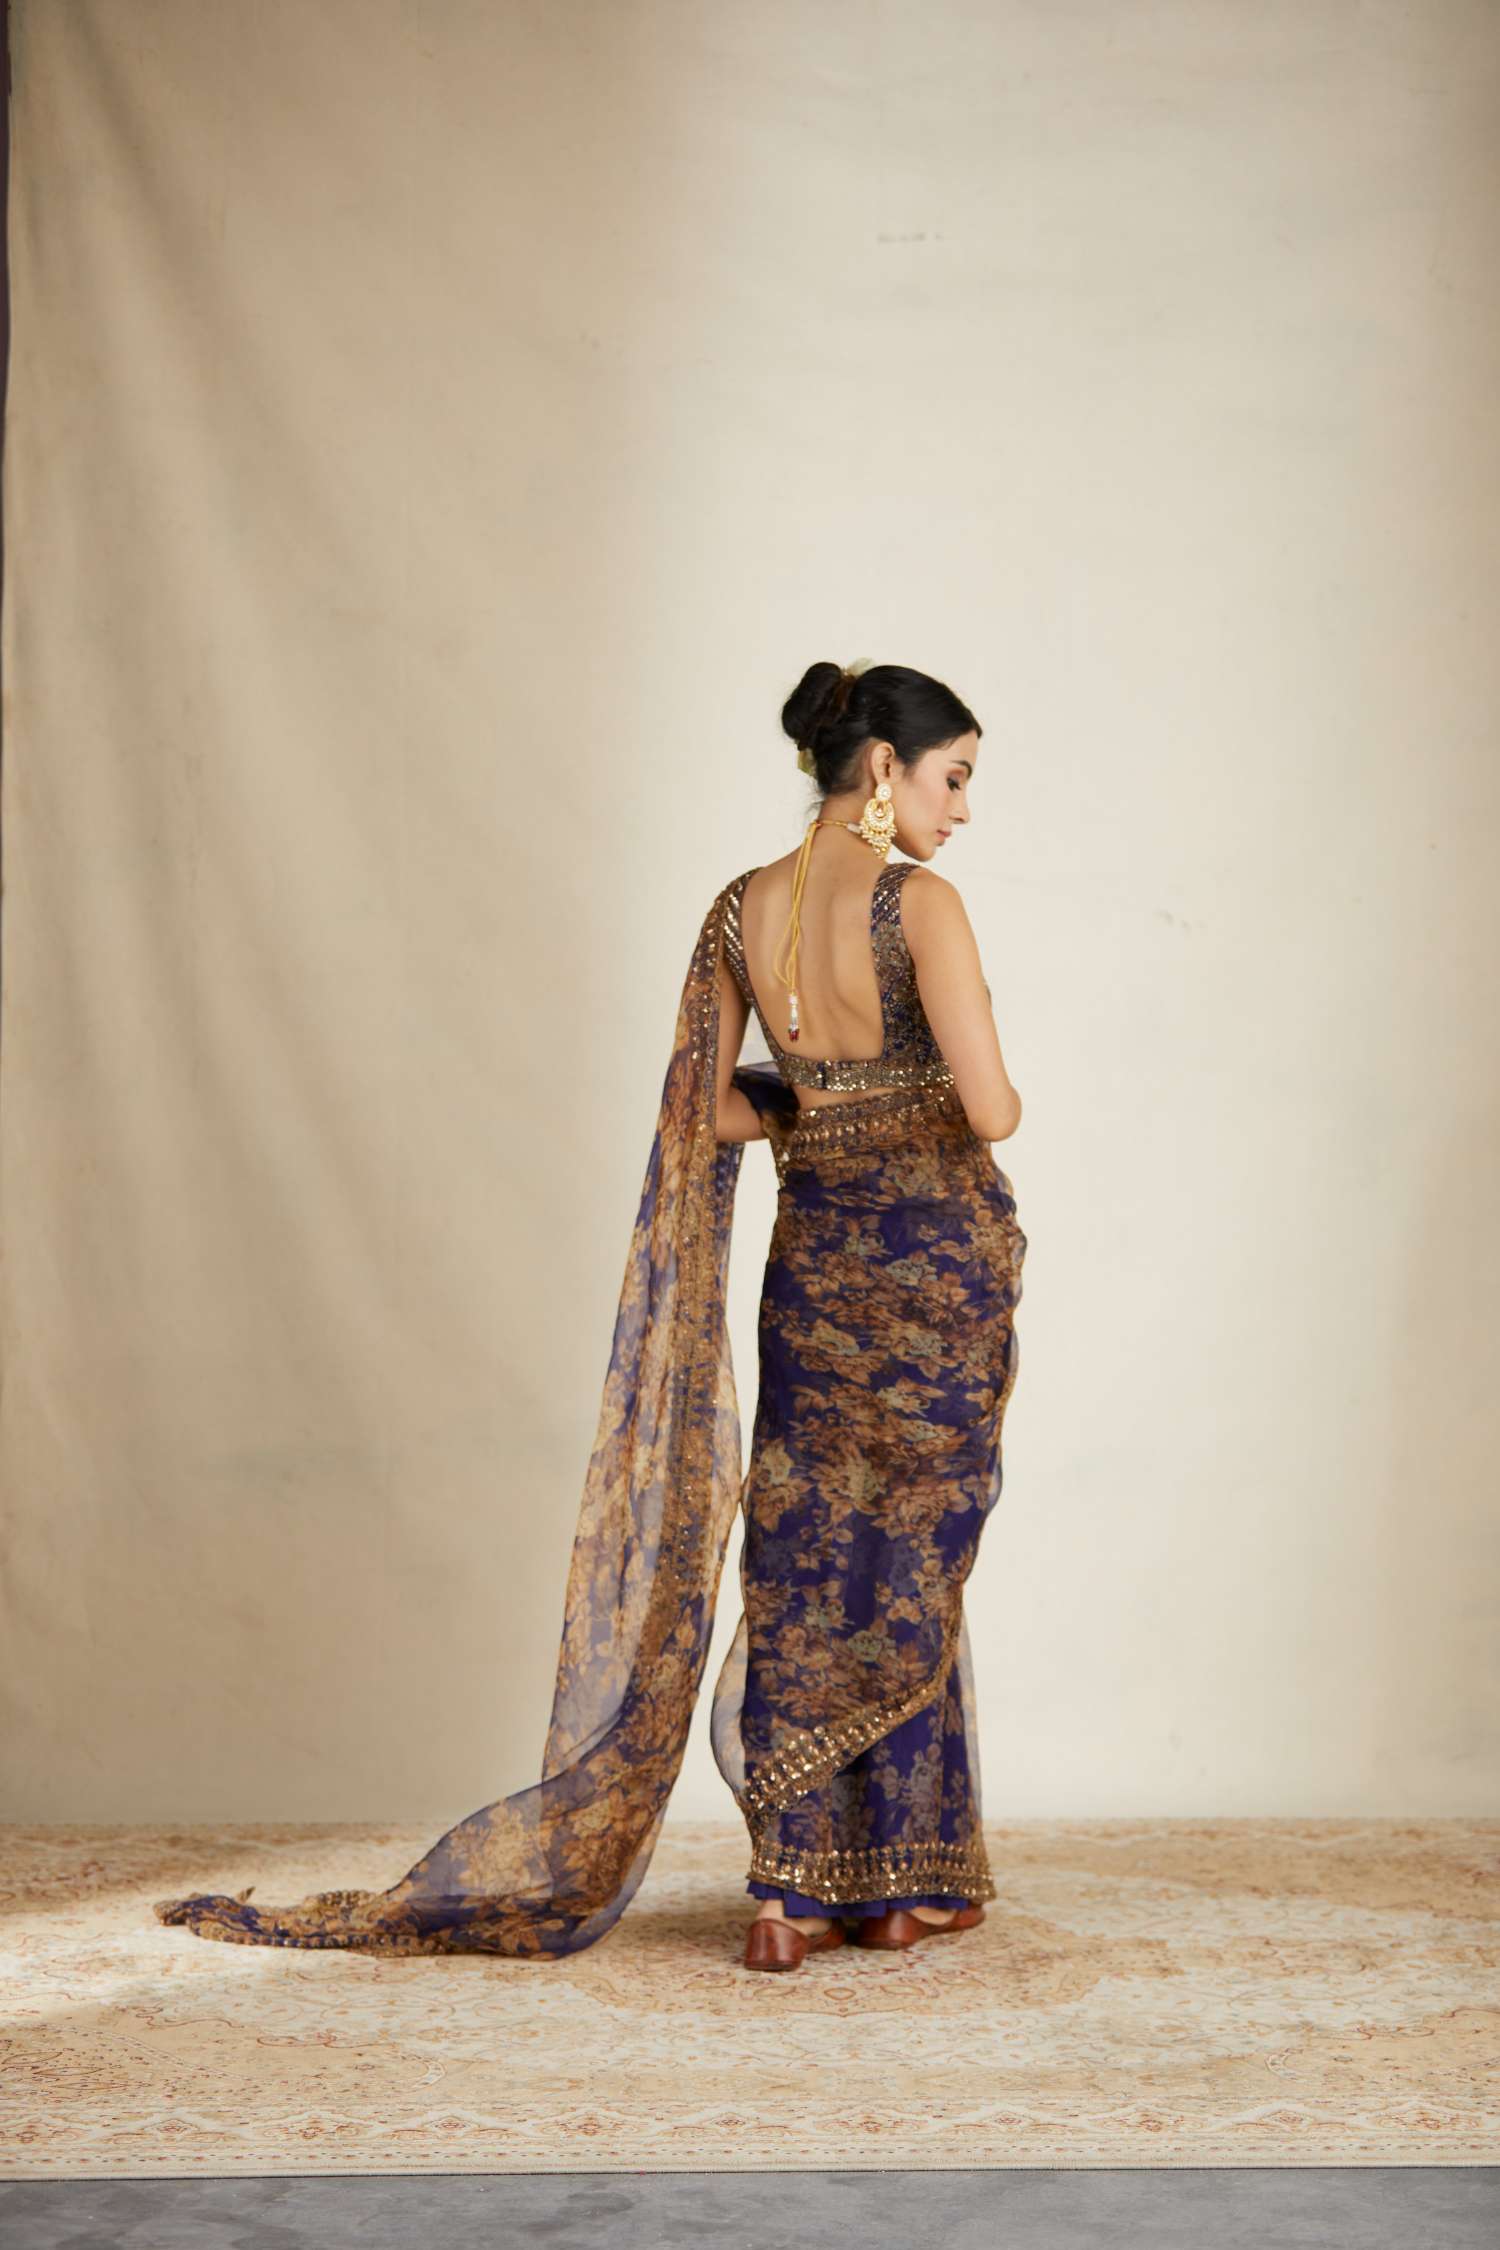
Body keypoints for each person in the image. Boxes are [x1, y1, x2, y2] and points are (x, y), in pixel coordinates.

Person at [153, 660, 1025, 1971]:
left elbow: (708, 1112)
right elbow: (992, 1107)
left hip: (813, 1275)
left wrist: (811, 1097)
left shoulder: (740, 911)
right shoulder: (922, 905)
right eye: (953, 778)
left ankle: (790, 1896)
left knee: (804, 1552)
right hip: (931, 1271)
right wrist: (923, 1075)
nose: (960, 810)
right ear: (887, 768)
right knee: (901, 1556)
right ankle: (899, 1890)